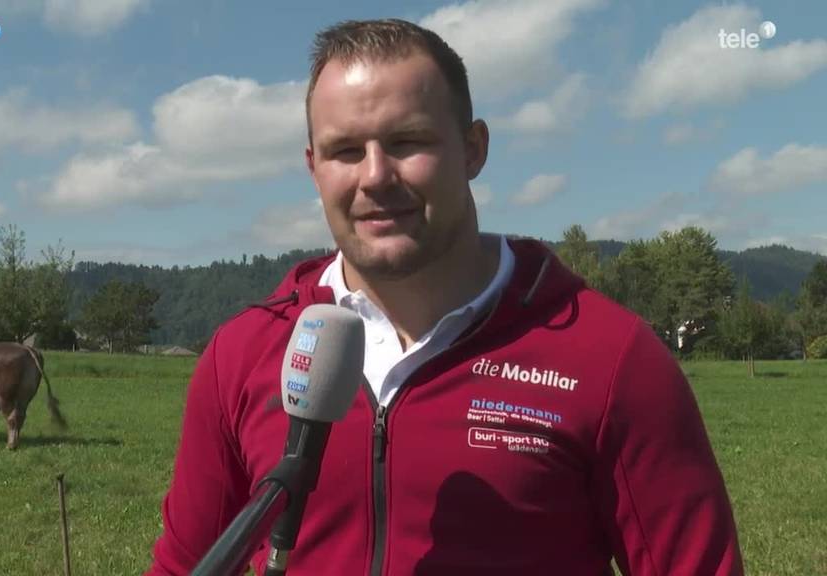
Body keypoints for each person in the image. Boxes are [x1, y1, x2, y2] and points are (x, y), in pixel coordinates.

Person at [148, 18, 743, 576]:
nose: (375, 176)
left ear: (474, 149)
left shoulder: (611, 361)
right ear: (313, 167)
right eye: (346, 151)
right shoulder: (241, 355)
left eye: (407, 141)